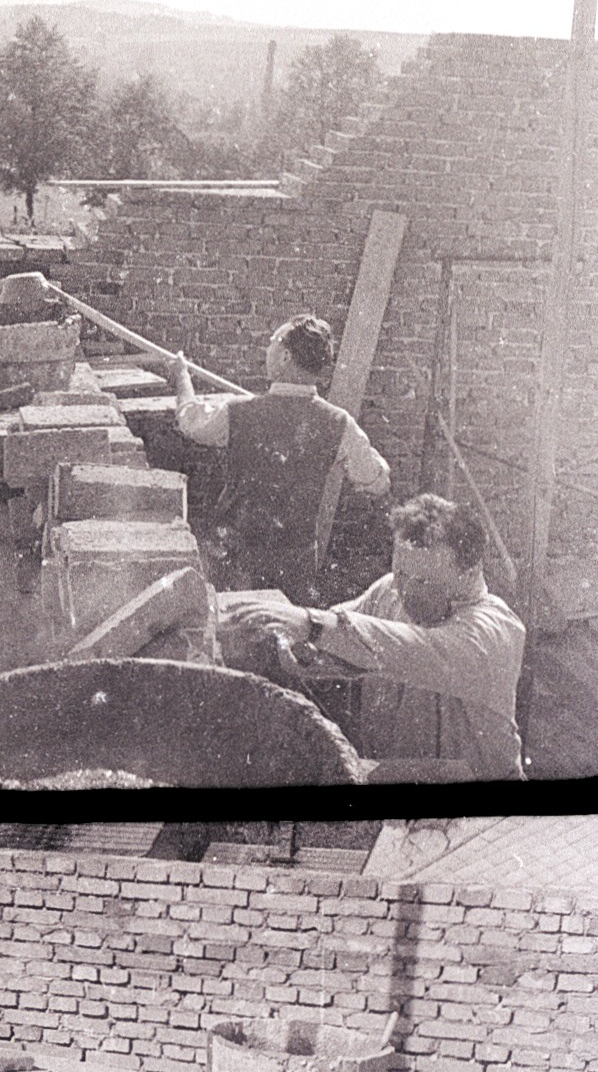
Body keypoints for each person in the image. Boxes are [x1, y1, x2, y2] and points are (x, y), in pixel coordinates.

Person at [219, 492, 527, 781]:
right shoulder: (389, 590)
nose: (405, 591)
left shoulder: (493, 631)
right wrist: (297, 647)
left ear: (470, 573)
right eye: (401, 573)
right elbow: (340, 636)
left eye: (422, 581)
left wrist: (310, 624)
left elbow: (408, 649)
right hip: (404, 779)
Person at [171, 313, 391, 601]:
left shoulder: (238, 411)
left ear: (286, 356)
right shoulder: (339, 423)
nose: (267, 350)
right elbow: (376, 481)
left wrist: (182, 378)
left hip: (235, 557)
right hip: (293, 565)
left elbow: (190, 421)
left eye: (273, 342)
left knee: (229, 633)